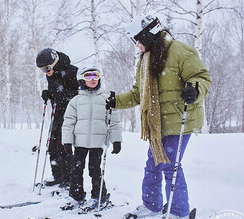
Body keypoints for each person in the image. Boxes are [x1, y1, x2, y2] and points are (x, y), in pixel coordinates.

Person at [105, 15, 211, 219]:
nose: (137, 45)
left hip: (181, 120)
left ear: (150, 35)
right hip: (157, 124)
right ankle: (152, 206)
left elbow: (201, 77)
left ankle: (179, 212)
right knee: (152, 165)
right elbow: (138, 94)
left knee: (170, 165)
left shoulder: (181, 51)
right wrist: (116, 101)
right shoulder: (145, 61)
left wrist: (194, 89)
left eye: (138, 39)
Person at [61, 66, 122, 210]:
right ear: (82, 80)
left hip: (98, 143)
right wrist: (67, 141)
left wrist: (116, 140)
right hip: (80, 142)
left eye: (95, 76)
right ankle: (76, 196)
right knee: (76, 169)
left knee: (94, 170)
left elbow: (114, 122)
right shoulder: (75, 101)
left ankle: (99, 196)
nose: (93, 79)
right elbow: (68, 122)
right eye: (89, 77)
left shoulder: (106, 99)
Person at [36, 48, 79, 188]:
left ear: (55, 61)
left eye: (47, 68)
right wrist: (48, 94)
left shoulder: (72, 71)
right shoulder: (51, 74)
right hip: (58, 113)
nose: (46, 72)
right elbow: (54, 92)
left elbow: (81, 94)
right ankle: (57, 176)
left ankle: (68, 179)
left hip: (71, 114)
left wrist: (64, 95)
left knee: (63, 146)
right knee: (52, 145)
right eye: (43, 70)